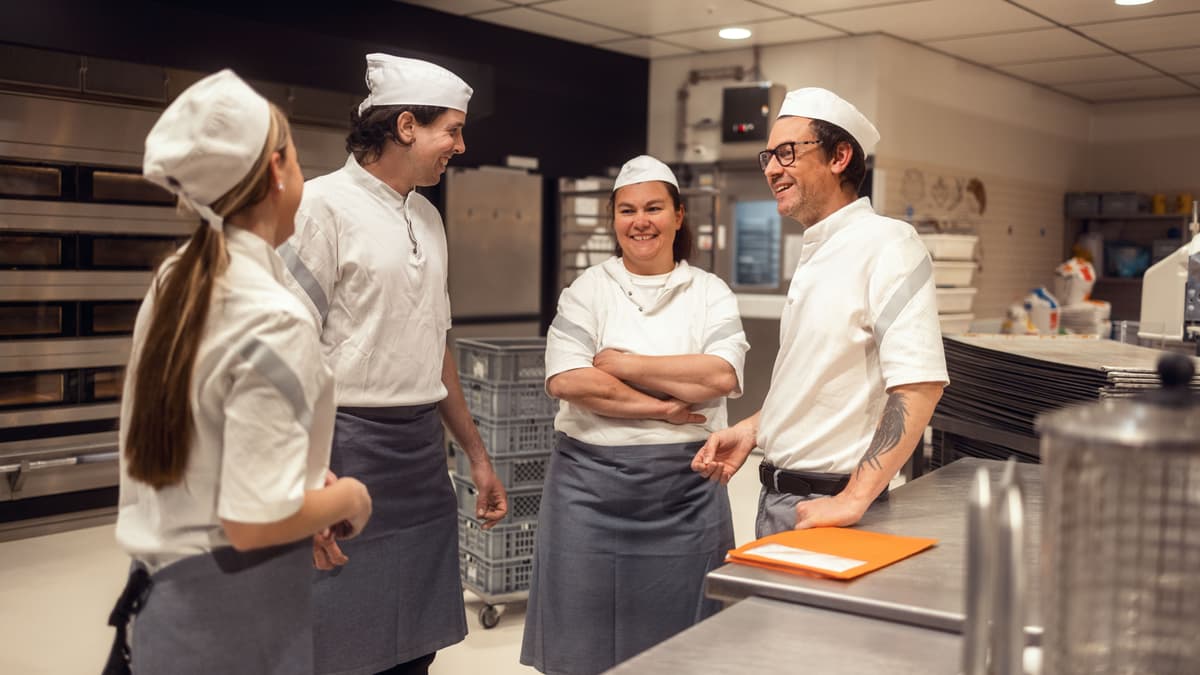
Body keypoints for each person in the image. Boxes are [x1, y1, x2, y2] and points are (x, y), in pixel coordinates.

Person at [106, 69, 373, 675]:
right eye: (300, 157)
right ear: (278, 170)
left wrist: (299, 484)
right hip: (229, 623)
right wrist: (345, 499)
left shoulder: (179, 279)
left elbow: (212, 441)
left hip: (164, 611)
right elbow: (252, 523)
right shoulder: (272, 316)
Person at [278, 53, 507, 675]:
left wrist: (476, 457)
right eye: (452, 130)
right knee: (341, 634)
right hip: (344, 446)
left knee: (417, 635)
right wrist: (301, 478)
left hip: (419, 453)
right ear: (406, 126)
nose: (460, 145)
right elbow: (286, 351)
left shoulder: (427, 216)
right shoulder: (319, 207)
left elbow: (435, 347)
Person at [522, 155, 749, 675]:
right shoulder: (587, 290)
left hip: (687, 490)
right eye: (627, 210)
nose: (640, 221)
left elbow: (719, 377)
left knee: (686, 644)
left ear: (677, 216)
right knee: (581, 637)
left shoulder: (709, 293)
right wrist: (665, 409)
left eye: (652, 208)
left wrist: (626, 365)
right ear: (613, 219)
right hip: (587, 491)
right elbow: (568, 380)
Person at [692, 87, 948, 536]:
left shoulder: (888, 244)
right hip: (781, 498)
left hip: (830, 506)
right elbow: (818, 382)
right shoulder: (817, 250)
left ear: (839, 156)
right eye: (768, 156)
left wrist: (853, 498)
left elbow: (919, 384)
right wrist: (756, 429)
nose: (772, 169)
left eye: (787, 153)